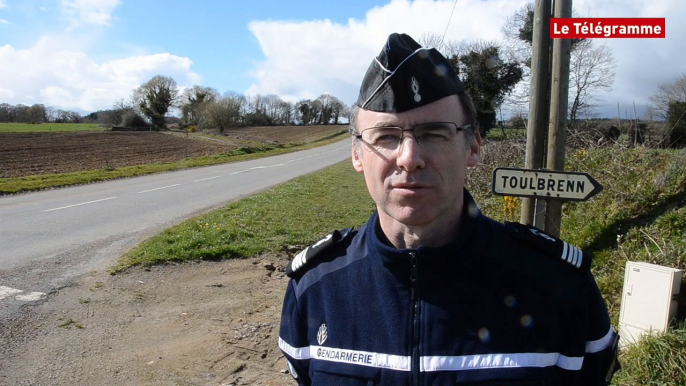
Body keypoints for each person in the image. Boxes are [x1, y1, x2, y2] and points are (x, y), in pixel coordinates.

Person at [279, 33, 619, 385]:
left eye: (433, 133)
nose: (409, 159)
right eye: (386, 137)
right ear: (356, 154)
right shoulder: (314, 289)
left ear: (473, 147)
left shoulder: (560, 287)